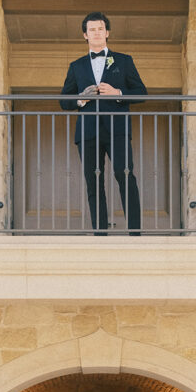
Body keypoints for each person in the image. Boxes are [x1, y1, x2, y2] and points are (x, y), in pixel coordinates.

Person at [60, 12, 145, 234]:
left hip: (117, 129)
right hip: (88, 132)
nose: (96, 33)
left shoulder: (124, 61)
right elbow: (63, 101)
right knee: (93, 181)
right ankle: (100, 233)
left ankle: (135, 232)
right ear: (85, 35)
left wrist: (118, 92)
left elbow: (141, 92)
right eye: (91, 30)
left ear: (106, 32)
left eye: (100, 29)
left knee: (124, 174)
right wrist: (81, 98)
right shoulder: (76, 66)